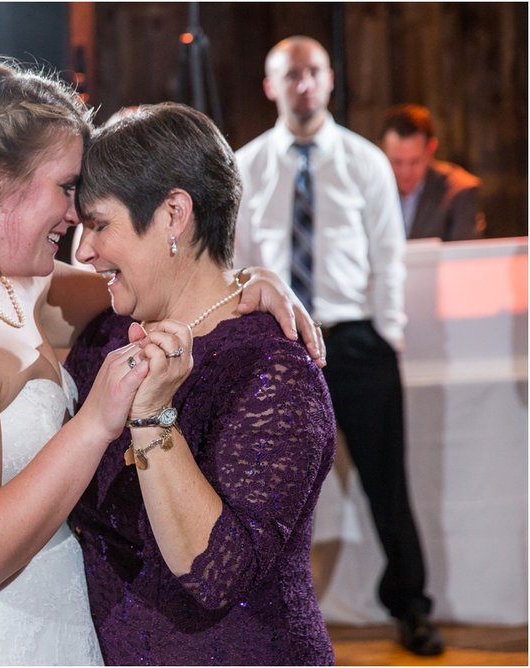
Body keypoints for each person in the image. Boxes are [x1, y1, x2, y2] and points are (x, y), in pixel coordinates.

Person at [0, 60, 324, 665]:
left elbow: (180, 287)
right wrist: (94, 422)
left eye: (89, 207)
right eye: (68, 188)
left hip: (66, 627)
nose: (76, 219)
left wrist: (252, 281)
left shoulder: (17, 290)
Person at [232, 36, 444, 656]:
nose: (304, 84)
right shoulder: (245, 166)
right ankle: (269, 614)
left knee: (387, 483)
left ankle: (412, 607)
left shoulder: (365, 160)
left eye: (314, 73)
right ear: (272, 86)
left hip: (354, 339)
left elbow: (388, 252)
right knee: (270, 489)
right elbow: (237, 260)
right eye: (291, 75)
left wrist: (389, 329)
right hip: (277, 342)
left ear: (329, 81)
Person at [379, 103, 485, 241]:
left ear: (431, 148)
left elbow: (466, 257)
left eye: (415, 161)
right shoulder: (367, 190)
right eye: (396, 162)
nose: (405, 172)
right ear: (381, 150)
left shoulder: (459, 191)